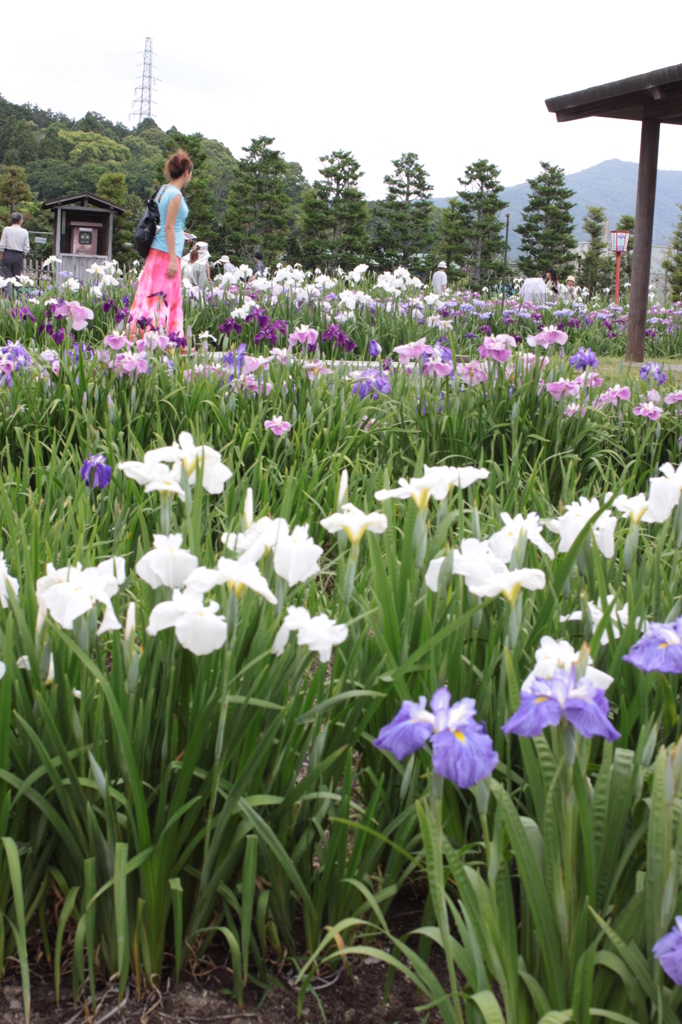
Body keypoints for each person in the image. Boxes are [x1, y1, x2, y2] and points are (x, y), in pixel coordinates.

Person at [129, 149, 193, 336]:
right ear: (186, 172)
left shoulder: (163, 190)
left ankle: (139, 334)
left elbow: (168, 223)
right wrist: (173, 259)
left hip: (156, 251)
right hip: (166, 254)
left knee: (149, 295)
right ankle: (158, 337)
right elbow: (168, 227)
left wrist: (182, 234)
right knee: (163, 297)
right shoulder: (175, 195)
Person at [0, 212, 30, 280]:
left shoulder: (6, 229)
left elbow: (2, 245)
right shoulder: (25, 232)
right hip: (18, 256)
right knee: (16, 278)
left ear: (12, 221)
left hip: (7, 255)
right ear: (20, 221)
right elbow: (26, 248)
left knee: (6, 278)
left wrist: (1, 254)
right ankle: (15, 290)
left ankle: (7, 291)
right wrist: (23, 256)